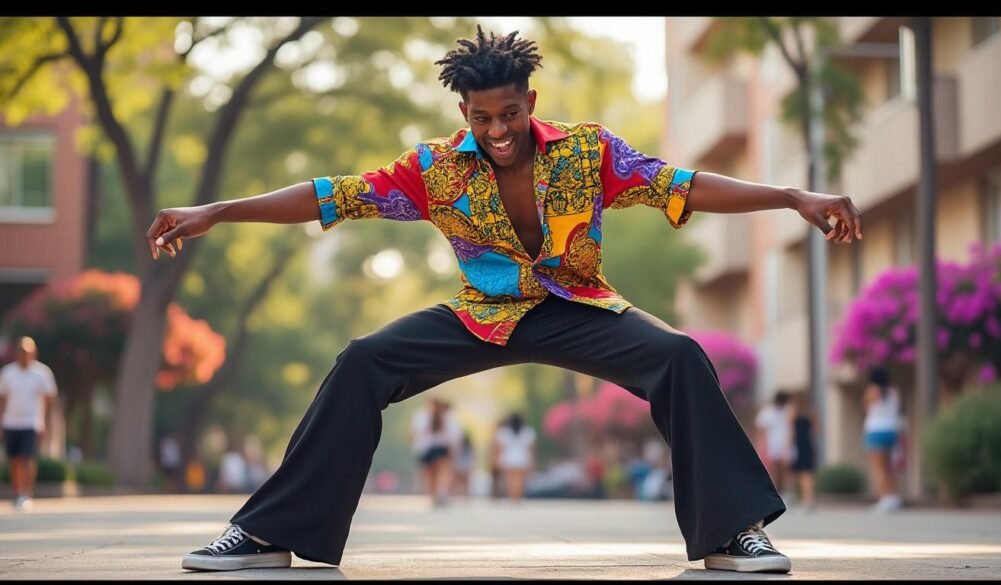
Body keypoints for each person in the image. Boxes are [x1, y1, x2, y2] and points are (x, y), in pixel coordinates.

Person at [153, 26, 862, 574]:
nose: (498, 130)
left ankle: (732, 532)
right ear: (464, 111)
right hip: (480, 314)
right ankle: (271, 531)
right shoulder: (433, 169)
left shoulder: (588, 152)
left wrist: (792, 196)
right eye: (483, 117)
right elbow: (332, 195)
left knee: (678, 354)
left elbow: (682, 184)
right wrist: (218, 209)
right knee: (363, 360)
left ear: (531, 103)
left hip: (578, 307)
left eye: (510, 113)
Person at [0, 336, 58, 511]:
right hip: (11, 422)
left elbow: (49, 400)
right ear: (17, 353)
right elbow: (2, 399)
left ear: (34, 353)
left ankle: (26, 493)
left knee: (26, 458)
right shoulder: (8, 373)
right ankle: (17, 492)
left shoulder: (42, 373)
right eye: (22, 351)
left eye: (28, 352)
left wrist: (47, 424)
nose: (24, 355)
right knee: (14, 459)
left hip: (31, 422)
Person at [863, 367, 903, 513]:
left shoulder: (872, 390)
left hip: (876, 430)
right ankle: (893, 497)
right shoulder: (894, 390)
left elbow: (866, 407)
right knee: (889, 467)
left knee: (879, 468)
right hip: (891, 430)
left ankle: (884, 498)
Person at [409, 398, 461, 507]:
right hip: (442, 447)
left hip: (426, 448)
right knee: (443, 472)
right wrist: (454, 451)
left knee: (431, 474)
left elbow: (414, 433)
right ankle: (441, 494)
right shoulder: (448, 416)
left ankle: (433, 496)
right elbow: (454, 436)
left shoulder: (421, 416)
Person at [755, 391, 793, 496]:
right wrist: (762, 446)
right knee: (774, 469)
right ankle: (776, 491)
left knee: (784, 469)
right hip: (772, 444)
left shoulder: (788, 411)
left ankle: (785, 491)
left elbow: (791, 429)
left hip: (784, 444)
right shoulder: (768, 412)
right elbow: (761, 430)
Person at [493, 412, 535, 503]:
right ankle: (517, 497)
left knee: (510, 480)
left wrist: (497, 460)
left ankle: (512, 497)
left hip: (508, 459)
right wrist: (531, 462)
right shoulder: (527, 432)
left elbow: (499, 448)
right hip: (522, 459)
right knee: (519, 481)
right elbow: (530, 449)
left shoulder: (503, 432)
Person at [787, 392, 818, 512]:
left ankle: (799, 498)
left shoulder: (793, 411)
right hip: (808, 443)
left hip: (797, 445)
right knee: (808, 473)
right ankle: (808, 499)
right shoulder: (811, 412)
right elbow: (816, 429)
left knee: (797, 473)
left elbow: (791, 431)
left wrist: (788, 447)